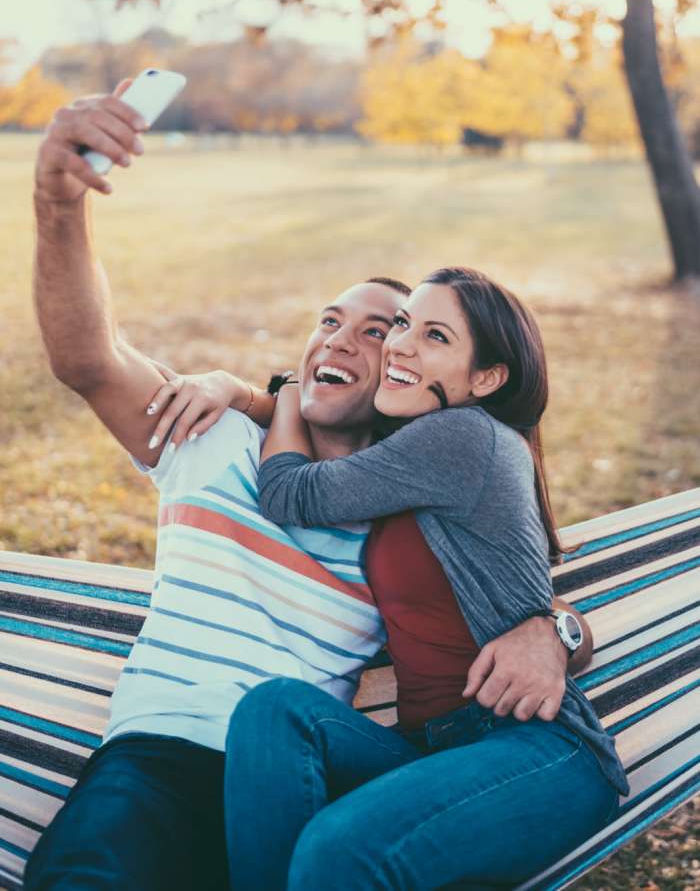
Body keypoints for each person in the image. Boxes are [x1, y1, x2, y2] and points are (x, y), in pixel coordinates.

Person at [26, 85, 593, 891]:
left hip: (313, 785)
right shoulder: (209, 432)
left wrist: (555, 632)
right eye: (334, 320)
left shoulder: (411, 507)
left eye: (386, 329)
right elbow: (86, 358)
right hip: (159, 764)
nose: (356, 341)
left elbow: (519, 601)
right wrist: (57, 204)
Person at [220, 268, 630, 890]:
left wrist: (286, 392)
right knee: (275, 710)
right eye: (405, 324)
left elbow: (287, 491)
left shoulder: (462, 437)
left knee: (339, 851)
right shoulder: (413, 445)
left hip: (535, 752)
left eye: (435, 336)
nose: (401, 345)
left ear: (486, 379)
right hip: (434, 751)